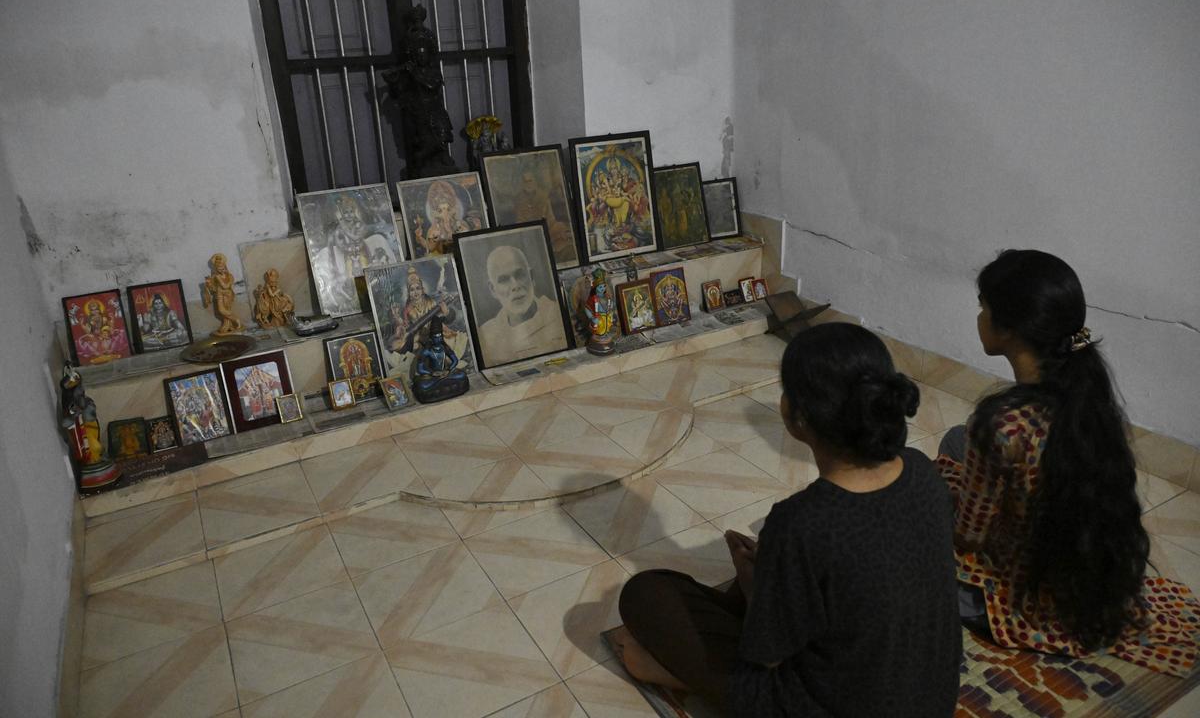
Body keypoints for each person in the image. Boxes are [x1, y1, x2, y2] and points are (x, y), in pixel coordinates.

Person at [615, 323, 962, 716]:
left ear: (797, 417)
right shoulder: (921, 470)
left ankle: (669, 675)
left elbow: (768, 656)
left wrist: (756, 587)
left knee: (646, 593)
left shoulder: (801, 522)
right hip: (932, 701)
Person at [936, 249, 1199, 676]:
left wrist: (942, 490)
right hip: (1090, 585)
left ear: (1011, 329)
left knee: (918, 550)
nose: (979, 318)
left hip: (1031, 599)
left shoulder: (1003, 424)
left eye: (982, 308)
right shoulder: (1087, 396)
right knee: (954, 440)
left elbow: (968, 536)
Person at [476, 245, 563, 366]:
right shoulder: (486, 336)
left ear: (531, 277)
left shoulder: (559, 314)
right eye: (504, 280)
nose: (515, 285)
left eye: (519, 275)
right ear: (493, 289)